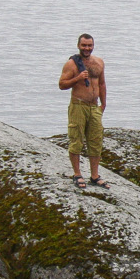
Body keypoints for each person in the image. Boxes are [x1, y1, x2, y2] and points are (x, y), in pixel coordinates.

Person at [57, 33, 107, 189]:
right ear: (78, 45)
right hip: (78, 105)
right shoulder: (72, 64)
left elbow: (102, 84)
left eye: (89, 45)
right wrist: (77, 78)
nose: (87, 48)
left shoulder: (98, 62)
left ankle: (94, 176)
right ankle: (77, 174)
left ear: (93, 46)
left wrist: (103, 105)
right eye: (84, 45)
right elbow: (62, 84)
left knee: (95, 141)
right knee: (76, 140)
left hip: (94, 106)